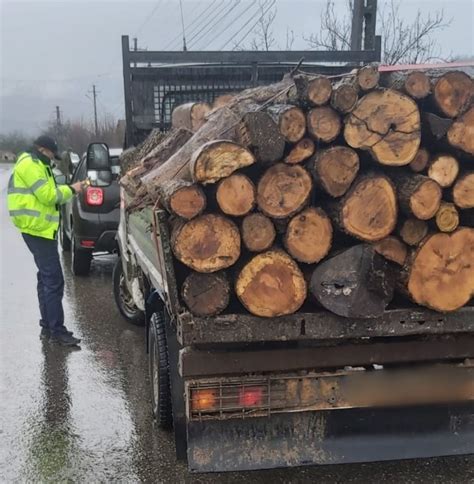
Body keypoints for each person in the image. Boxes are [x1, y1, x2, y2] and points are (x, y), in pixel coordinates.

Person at [7, 135, 85, 346]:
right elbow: (48, 196)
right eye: (51, 154)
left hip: (40, 230)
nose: (52, 158)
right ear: (43, 150)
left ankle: (48, 326)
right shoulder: (31, 165)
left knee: (46, 278)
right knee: (54, 280)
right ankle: (57, 331)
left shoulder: (37, 163)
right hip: (37, 230)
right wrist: (72, 189)